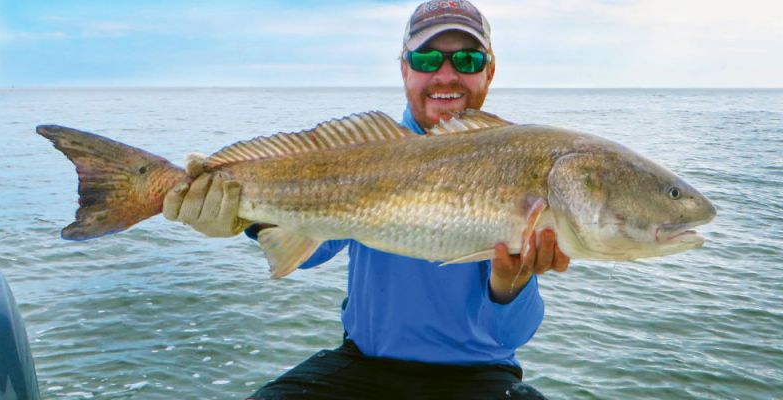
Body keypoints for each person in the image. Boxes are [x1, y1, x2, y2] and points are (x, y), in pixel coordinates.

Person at [163, 1, 569, 399]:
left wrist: (511, 283)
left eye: (467, 60)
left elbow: (511, 334)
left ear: (489, 71)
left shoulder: (516, 159)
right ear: (404, 68)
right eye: (427, 59)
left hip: (480, 375)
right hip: (362, 367)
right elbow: (313, 251)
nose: (446, 75)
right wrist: (243, 215)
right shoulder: (367, 153)